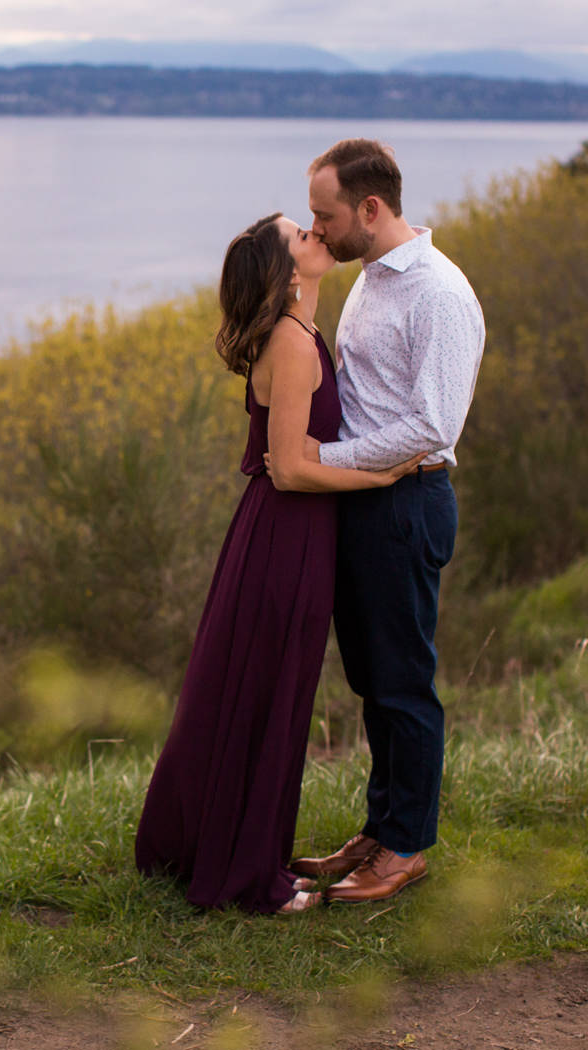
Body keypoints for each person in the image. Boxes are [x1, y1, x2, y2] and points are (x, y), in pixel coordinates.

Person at [134, 212, 423, 915]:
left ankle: (240, 853)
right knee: (266, 698)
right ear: (288, 272)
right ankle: (245, 877)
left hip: (293, 535)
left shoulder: (301, 332)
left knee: (270, 697)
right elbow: (290, 470)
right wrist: (383, 476)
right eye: (303, 235)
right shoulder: (292, 343)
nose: (318, 234)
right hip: (284, 539)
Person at [280, 138, 485, 903]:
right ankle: (382, 827)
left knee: (403, 683)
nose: (316, 228)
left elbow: (433, 424)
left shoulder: (438, 293)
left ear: (370, 208)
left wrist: (324, 457)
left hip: (405, 502)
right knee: (373, 680)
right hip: (363, 498)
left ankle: (405, 850)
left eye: (325, 215)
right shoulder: (371, 277)